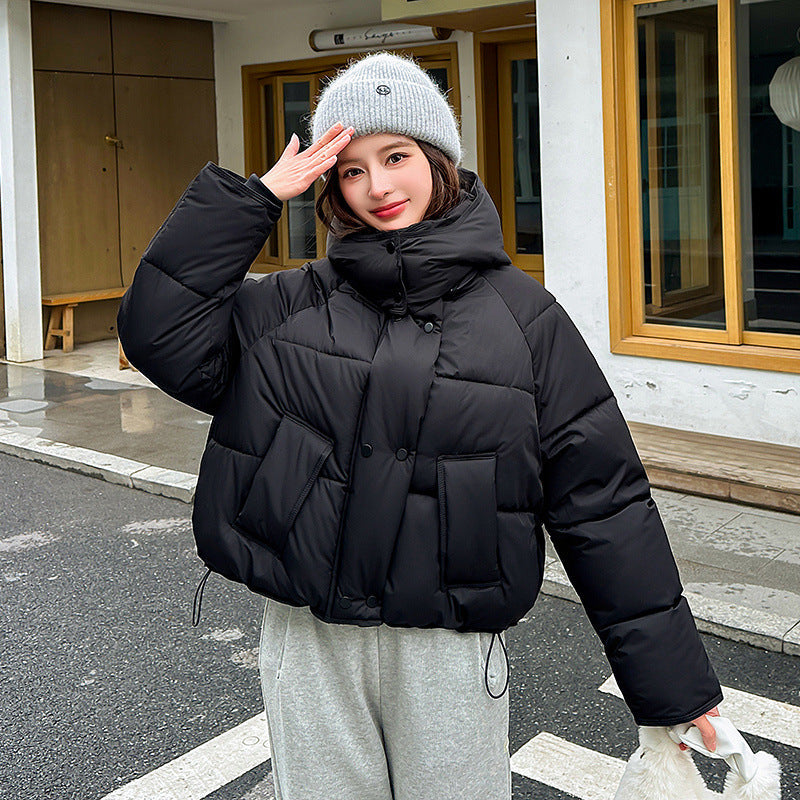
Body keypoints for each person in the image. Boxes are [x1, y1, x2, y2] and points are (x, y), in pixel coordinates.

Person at [117, 50, 722, 800]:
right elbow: (159, 332)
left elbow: (603, 503)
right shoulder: (288, 307)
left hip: (449, 648)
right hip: (311, 639)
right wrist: (259, 197)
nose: (377, 187)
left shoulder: (526, 321)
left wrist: (673, 687)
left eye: (396, 156)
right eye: (352, 169)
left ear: (440, 161)